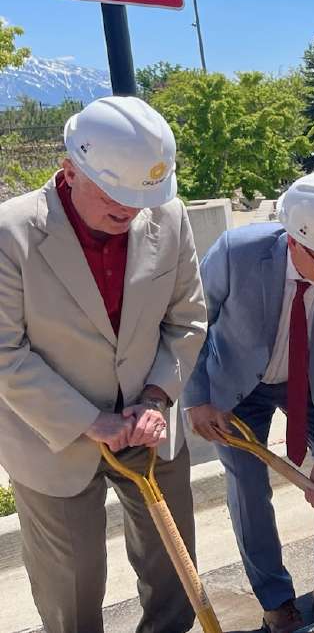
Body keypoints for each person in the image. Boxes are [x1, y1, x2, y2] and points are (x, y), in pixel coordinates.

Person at [0, 96, 207, 633]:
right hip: (52, 439)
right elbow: (3, 351)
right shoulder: (11, 232)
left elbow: (187, 319)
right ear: (70, 170)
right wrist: (90, 421)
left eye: (142, 200)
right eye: (116, 199)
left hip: (149, 424)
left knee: (174, 570)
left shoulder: (169, 215)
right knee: (71, 586)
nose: (131, 213)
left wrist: (157, 397)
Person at [184, 172, 314, 632]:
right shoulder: (238, 254)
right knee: (249, 487)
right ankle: (276, 599)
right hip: (234, 385)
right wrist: (197, 400)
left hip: (308, 385)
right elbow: (191, 322)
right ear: (294, 241)